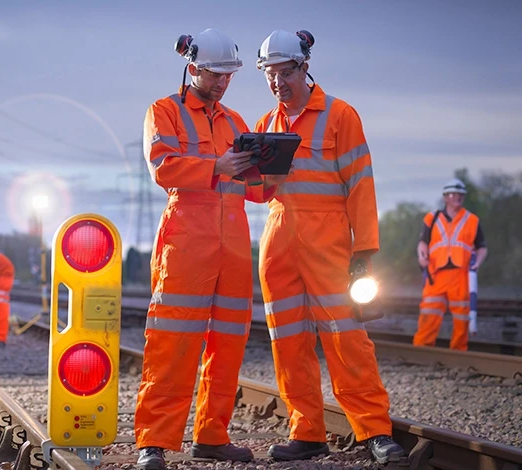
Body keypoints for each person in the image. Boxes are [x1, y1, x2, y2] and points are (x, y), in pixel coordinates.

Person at [252, 30, 405, 465]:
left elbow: (361, 183)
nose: (279, 82)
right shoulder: (266, 124)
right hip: (279, 237)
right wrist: (248, 172)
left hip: (329, 240)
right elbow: (260, 193)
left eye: (286, 72)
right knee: (288, 341)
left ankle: (374, 429)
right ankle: (307, 433)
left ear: (305, 66)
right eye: (270, 74)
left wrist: (365, 249)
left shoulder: (340, 115)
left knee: (346, 337)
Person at [134, 28, 272, 470]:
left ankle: (212, 436)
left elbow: (253, 190)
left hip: (232, 244)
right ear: (192, 68)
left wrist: (269, 172)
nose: (223, 83)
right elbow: (163, 167)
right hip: (186, 240)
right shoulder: (164, 111)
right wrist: (217, 166)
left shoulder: (234, 122)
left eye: (229, 76)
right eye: (215, 75)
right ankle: (153, 442)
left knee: (229, 342)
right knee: (172, 342)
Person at [413, 178, 487, 350]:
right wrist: (421, 255)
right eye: (453, 194)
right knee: (429, 312)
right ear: (445, 197)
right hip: (435, 274)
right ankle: (421, 350)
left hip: (461, 275)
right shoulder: (432, 218)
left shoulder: (472, 220)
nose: (458, 197)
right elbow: (423, 242)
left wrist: (478, 264)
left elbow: (482, 247)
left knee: (462, 316)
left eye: (461, 194)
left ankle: (458, 352)